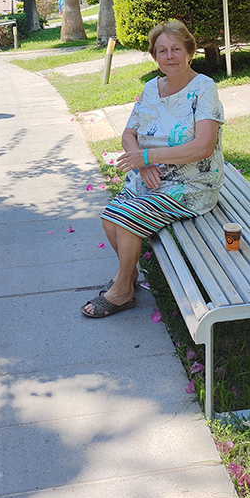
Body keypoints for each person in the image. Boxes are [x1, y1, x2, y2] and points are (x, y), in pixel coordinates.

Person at [81, 20, 224, 318]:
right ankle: (129, 276)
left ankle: (123, 290)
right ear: (155, 56)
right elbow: (128, 134)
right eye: (162, 51)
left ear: (189, 52)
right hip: (153, 178)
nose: (169, 56)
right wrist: (143, 162)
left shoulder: (203, 88)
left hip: (191, 185)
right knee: (109, 219)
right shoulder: (151, 88)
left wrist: (147, 157)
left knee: (125, 219)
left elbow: (203, 147)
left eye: (176, 49)